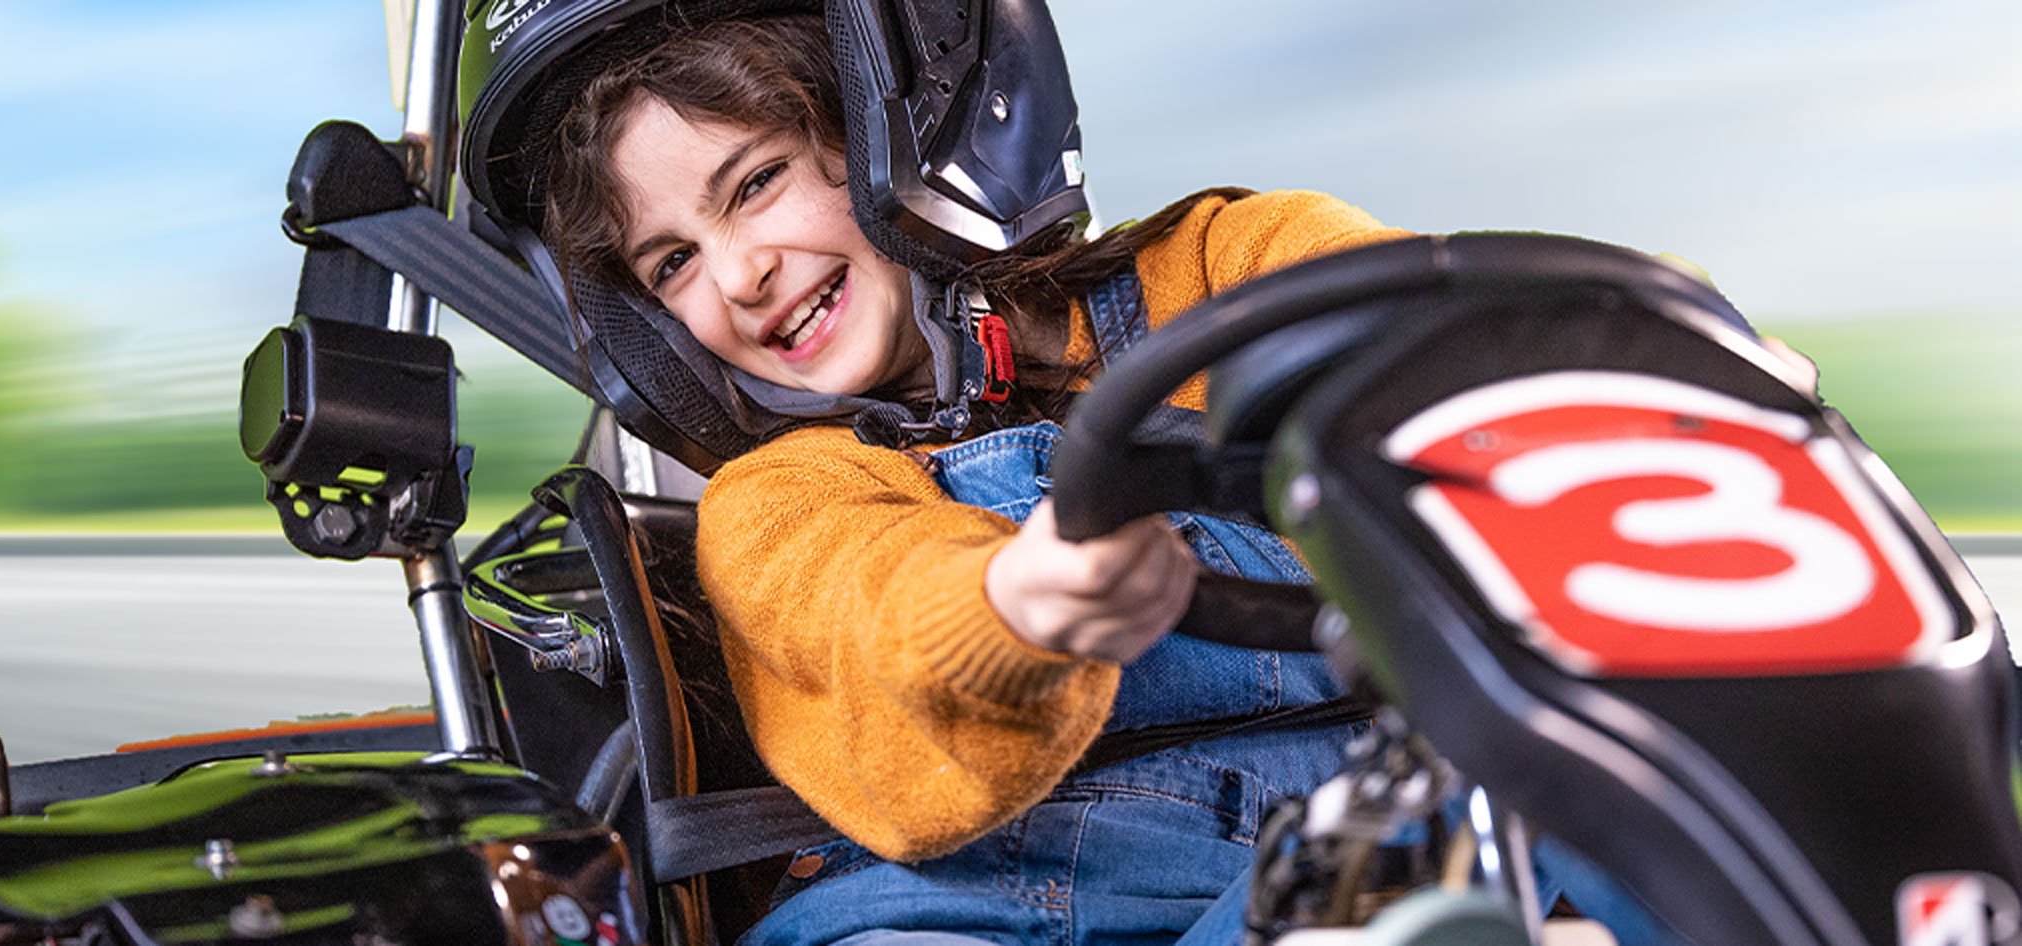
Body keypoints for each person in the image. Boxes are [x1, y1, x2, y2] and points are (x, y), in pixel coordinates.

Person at [470, 5, 1683, 945]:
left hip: (1405, 810)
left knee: (1686, 788)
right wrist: (1009, 608)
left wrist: (1639, 376)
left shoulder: (1228, 263)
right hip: (995, 896)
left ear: (908, 122)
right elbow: (871, 613)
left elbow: (1441, 345)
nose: (736, 274)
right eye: (673, 260)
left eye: (755, 182)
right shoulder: (782, 496)